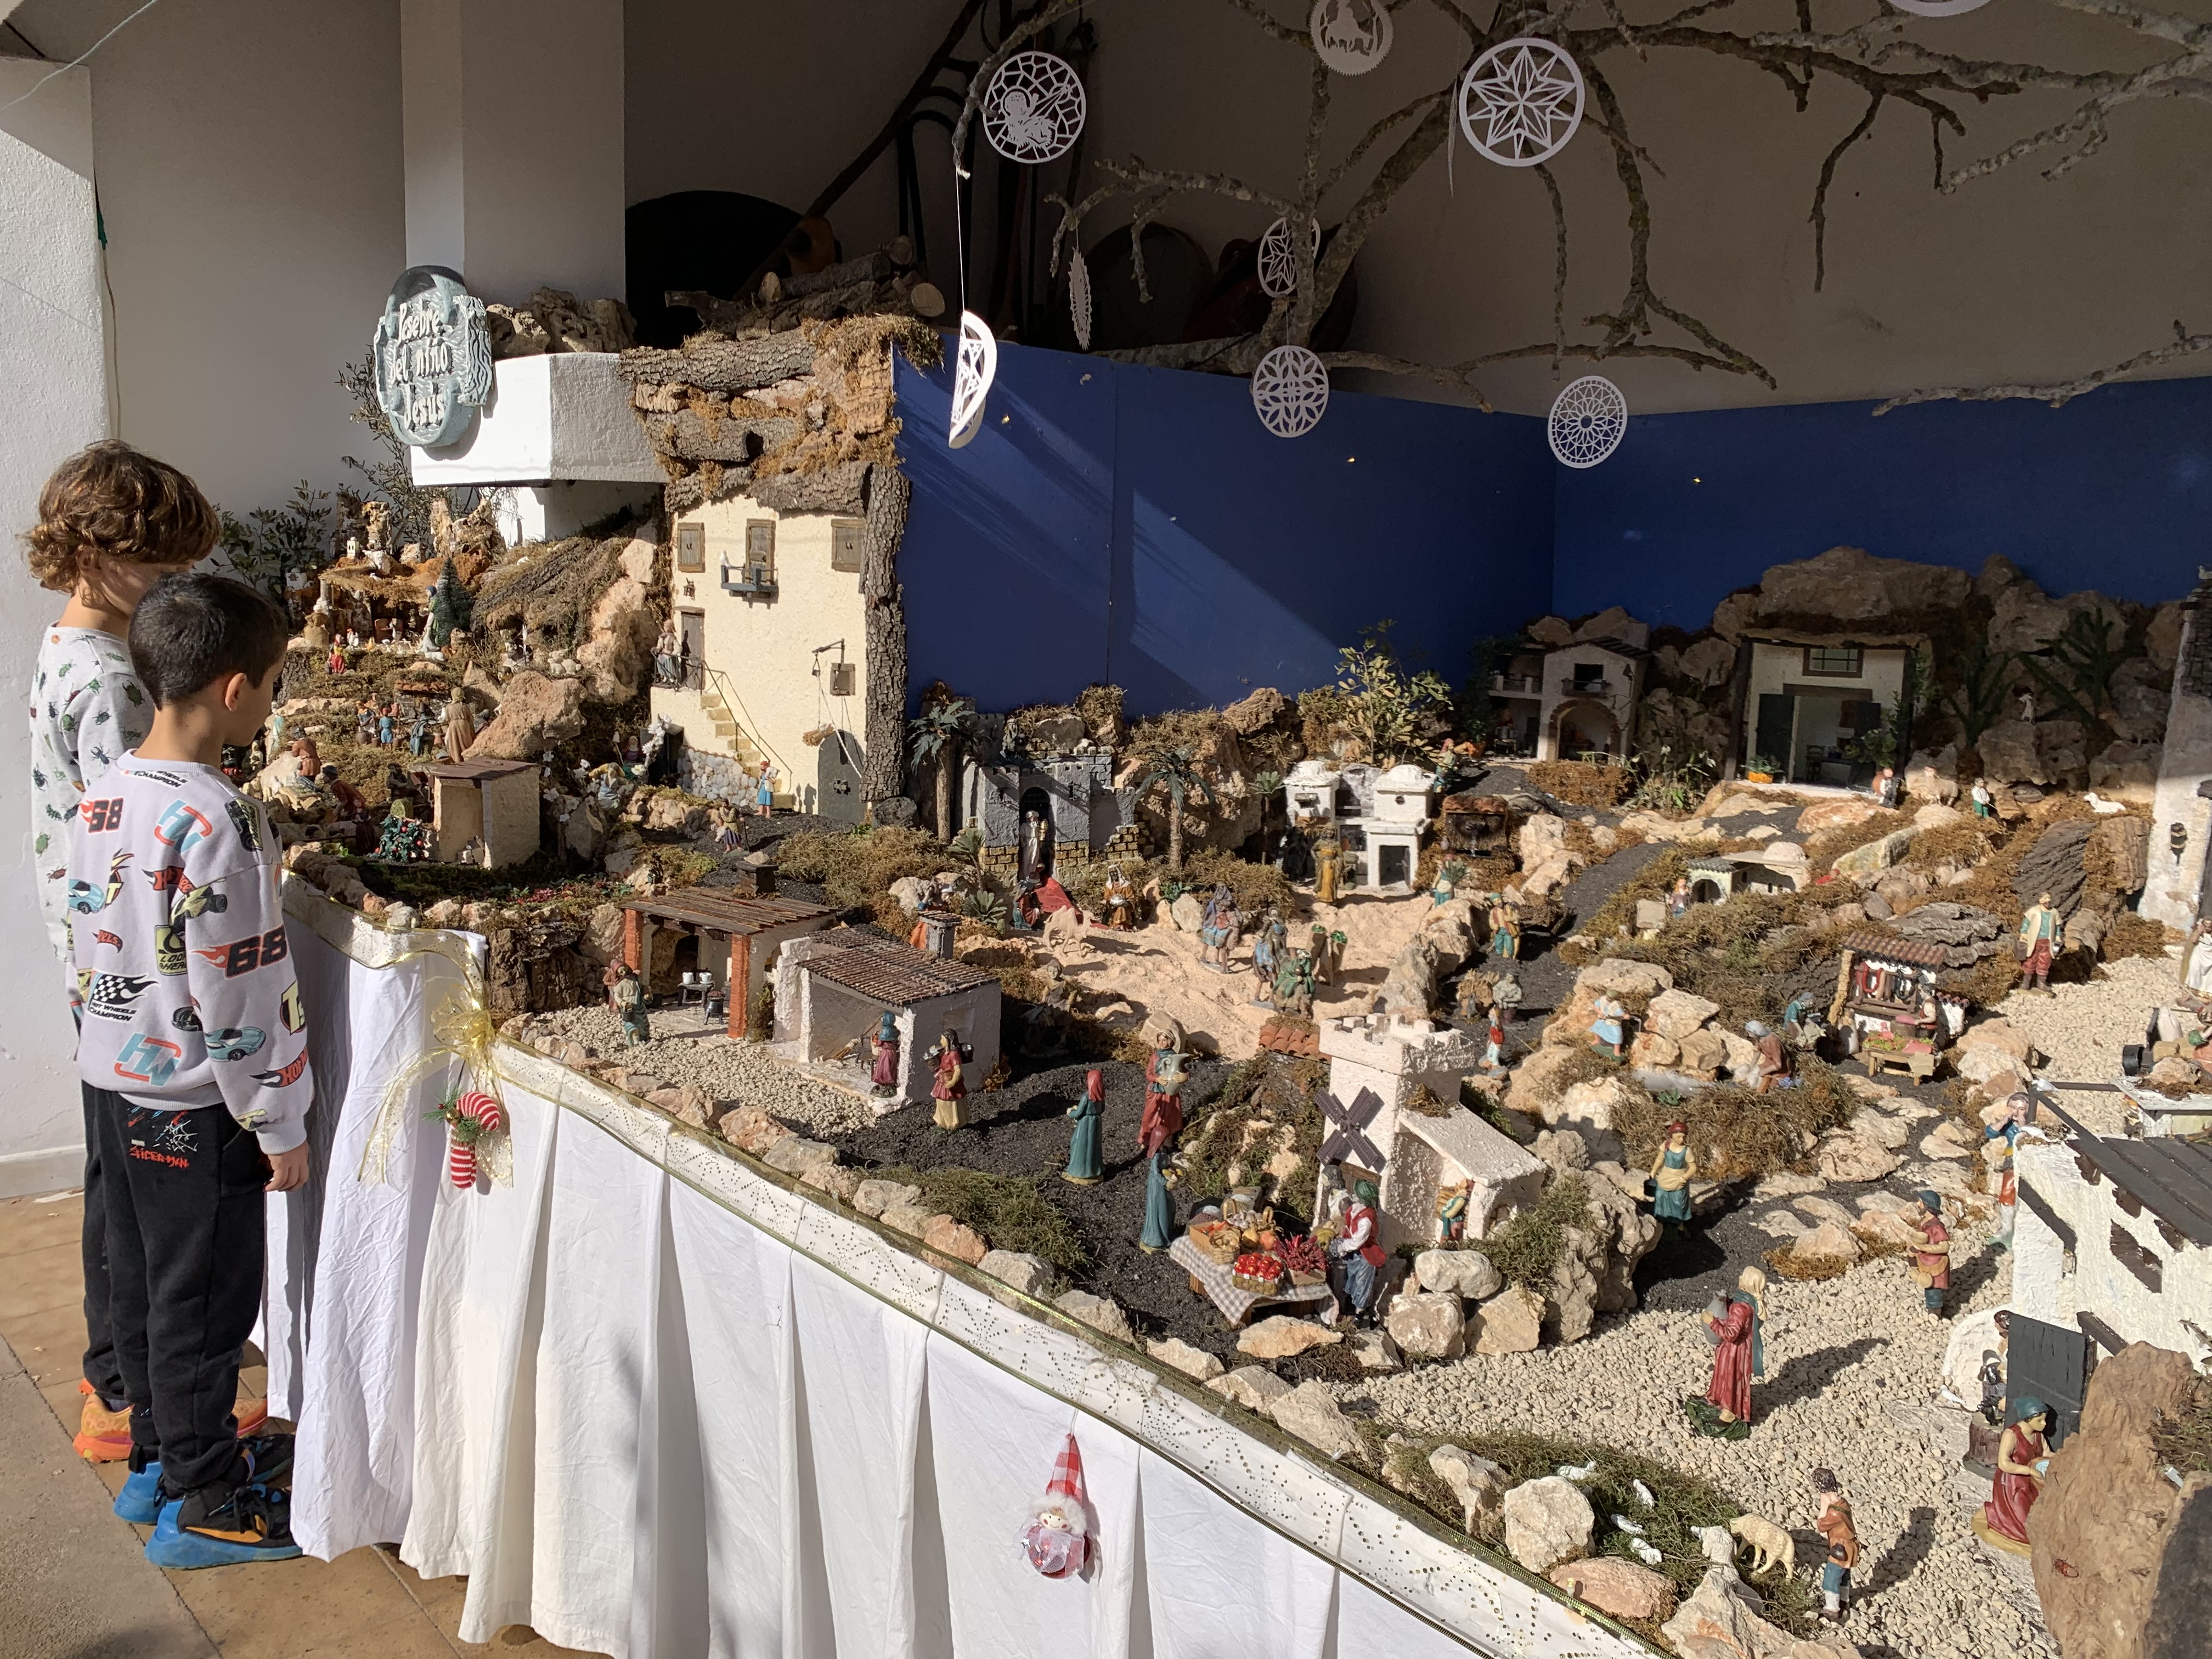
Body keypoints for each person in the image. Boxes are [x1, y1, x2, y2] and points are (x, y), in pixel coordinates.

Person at [67, 572, 311, 1566]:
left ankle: (158, 1460)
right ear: (236, 688)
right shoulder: (222, 820)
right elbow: (240, 988)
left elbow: (92, 941)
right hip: (197, 1103)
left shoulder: (104, 794)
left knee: (142, 1285)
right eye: (275, 684)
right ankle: (206, 1497)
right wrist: (278, 1119)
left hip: (116, 1086)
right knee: (204, 1301)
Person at [24, 442, 219, 1466]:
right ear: (94, 555)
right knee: (138, 1193)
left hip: (92, 954)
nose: (173, 586)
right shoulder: (107, 679)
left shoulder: (67, 647)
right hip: (129, 966)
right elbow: (144, 822)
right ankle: (126, 1393)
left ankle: (117, 1378)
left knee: (114, 1177)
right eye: (159, 566)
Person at [1978, 1398, 2051, 1553]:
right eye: (2040, 1420)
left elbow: (2046, 1453)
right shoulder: (2012, 1435)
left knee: (2042, 1517)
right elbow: (2004, 1463)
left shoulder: (2038, 1435)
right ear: (2028, 1418)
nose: (2044, 1424)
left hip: (2032, 1483)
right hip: (2013, 1485)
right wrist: (2029, 1471)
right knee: (2025, 1530)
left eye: (2044, 1419)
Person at [1699, 1266, 1767, 1431]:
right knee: (1724, 1376)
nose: (1739, 1277)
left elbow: (1730, 1334)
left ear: (1748, 1283)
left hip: (1734, 1352)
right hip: (1742, 1349)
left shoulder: (1741, 1308)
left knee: (1731, 1378)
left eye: (1743, 1276)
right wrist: (1726, 1302)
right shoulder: (1749, 1302)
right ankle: (1716, 1399)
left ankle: (1730, 1412)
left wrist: (1712, 1322)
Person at [1330, 1180, 1385, 1322]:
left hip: (1367, 1255)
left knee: (1362, 1284)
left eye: (1357, 1194)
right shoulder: (1356, 1209)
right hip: (1355, 1255)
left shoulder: (1366, 1220)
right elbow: (1351, 1227)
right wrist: (1345, 1233)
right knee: (1351, 1279)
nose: (1354, 1195)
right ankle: (1349, 1308)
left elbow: (1358, 1241)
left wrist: (1344, 1246)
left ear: (1363, 1198)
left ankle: (1360, 1315)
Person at [1813, 1471, 1858, 1624]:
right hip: (1848, 1546)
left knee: (1831, 1576)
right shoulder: (1843, 1503)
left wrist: (1824, 1506)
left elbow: (1821, 1526)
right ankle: (1844, 1601)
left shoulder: (1833, 1513)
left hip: (1841, 1548)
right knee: (1844, 1576)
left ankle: (1832, 1609)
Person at [1908, 1189, 1952, 1315]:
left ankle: (1935, 1312)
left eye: (1921, 1202)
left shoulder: (1936, 1227)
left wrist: (1924, 1248)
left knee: (1934, 1289)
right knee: (1927, 1285)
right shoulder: (1925, 1222)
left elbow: (1945, 1247)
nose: (1918, 1205)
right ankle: (1931, 1306)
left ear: (1927, 1206)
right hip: (1925, 1260)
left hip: (1935, 1263)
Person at [1648, 1122, 1697, 1228]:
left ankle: (1679, 1224)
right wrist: (1654, 1171)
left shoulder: (1687, 1151)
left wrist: (1684, 1178)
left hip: (1679, 1178)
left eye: (1684, 1137)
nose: (1682, 1139)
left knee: (1678, 1202)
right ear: (1672, 1136)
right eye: (1679, 1137)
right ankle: (1663, 1221)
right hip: (1665, 1176)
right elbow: (1660, 1159)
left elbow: (1693, 1168)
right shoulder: (1666, 1146)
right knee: (1660, 1197)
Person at [1063, 1068, 1104, 1184]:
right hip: (1096, 1123)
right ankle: (1094, 1169)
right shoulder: (1101, 1097)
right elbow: (1102, 1110)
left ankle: (1078, 1171)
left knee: (1079, 1145)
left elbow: (1079, 1113)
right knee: (1093, 1146)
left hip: (1085, 1124)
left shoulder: (1086, 1097)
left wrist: (1070, 1112)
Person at [2017, 890, 2061, 994]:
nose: (2048, 900)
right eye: (2045, 898)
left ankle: (2041, 982)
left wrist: (2058, 936)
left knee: (2045, 962)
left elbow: (2058, 926)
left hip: (2047, 942)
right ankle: (2026, 981)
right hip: (2035, 941)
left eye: (2049, 898)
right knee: (2031, 960)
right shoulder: (2034, 911)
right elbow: (2026, 923)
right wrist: (2024, 933)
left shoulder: (2054, 912)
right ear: (2040, 900)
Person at [929, 1028, 970, 1130]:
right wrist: (934, 1050)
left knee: (950, 1102)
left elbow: (958, 1069)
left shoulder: (954, 1054)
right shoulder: (945, 1051)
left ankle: (953, 1123)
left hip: (951, 1080)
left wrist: (953, 1082)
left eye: (942, 1039)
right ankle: (943, 1122)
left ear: (948, 1040)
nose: (940, 1041)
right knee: (941, 1102)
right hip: (943, 1080)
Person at [607, 961, 651, 1046]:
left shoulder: (635, 979)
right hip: (629, 1007)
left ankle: (644, 1037)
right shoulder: (620, 984)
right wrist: (623, 1003)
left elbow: (642, 987)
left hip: (639, 1005)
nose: (625, 972)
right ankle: (635, 1042)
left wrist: (646, 993)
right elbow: (617, 996)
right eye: (621, 972)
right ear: (618, 974)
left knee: (644, 1023)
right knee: (632, 1024)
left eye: (625, 969)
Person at [868, 1011, 900, 1098]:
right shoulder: (895, 1030)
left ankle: (885, 1082)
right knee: (891, 1068)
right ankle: (889, 1083)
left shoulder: (885, 1031)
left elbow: (879, 1043)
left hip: (886, 1053)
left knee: (884, 1068)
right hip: (893, 1052)